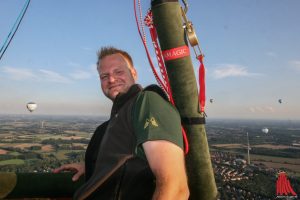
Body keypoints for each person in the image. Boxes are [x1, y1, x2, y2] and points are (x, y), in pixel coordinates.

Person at [53, 46, 189, 200]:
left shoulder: (147, 102)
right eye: (104, 76)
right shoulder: (110, 124)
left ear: (134, 73)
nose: (111, 79)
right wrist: (92, 168)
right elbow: (129, 161)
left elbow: (175, 189)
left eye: (118, 72)